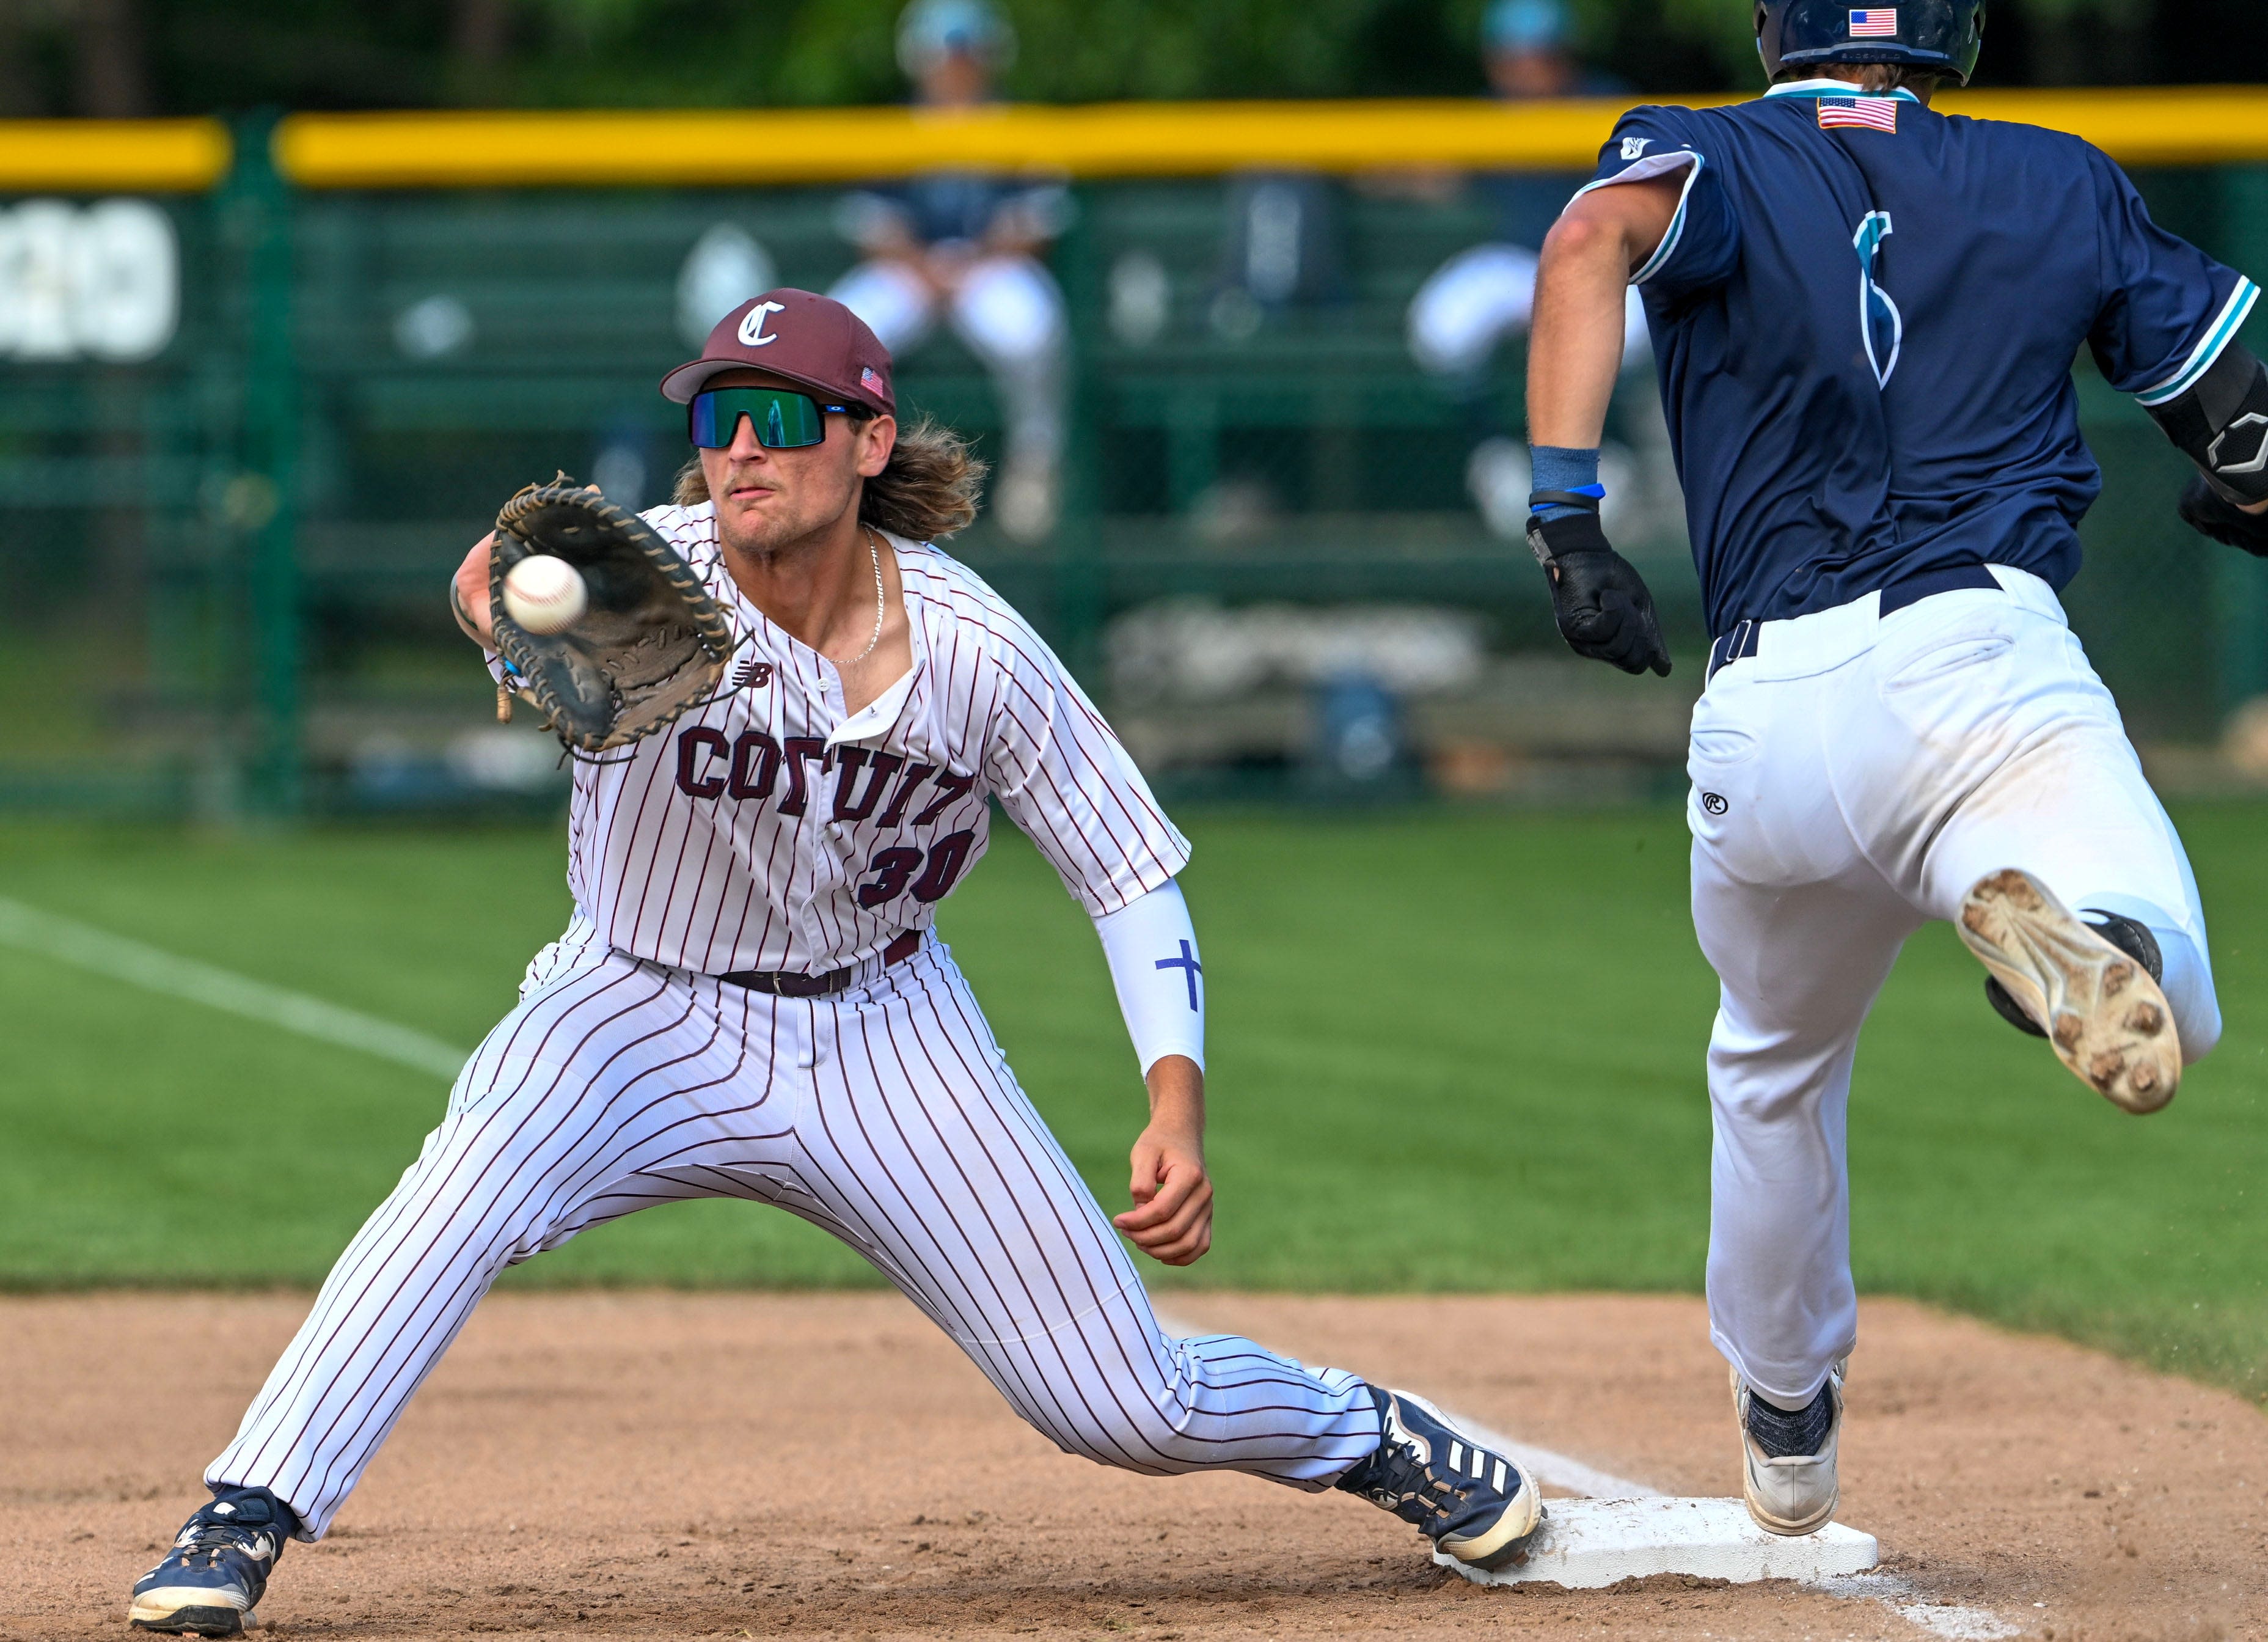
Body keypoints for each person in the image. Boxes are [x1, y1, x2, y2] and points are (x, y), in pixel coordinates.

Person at [122, 288, 1541, 1637]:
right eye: (721, 412)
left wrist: (1175, 1099)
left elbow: (1127, 870)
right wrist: (501, 622)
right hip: (632, 1001)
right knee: (462, 1181)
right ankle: (246, 1508)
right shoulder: (651, 574)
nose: (743, 443)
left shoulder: (974, 648)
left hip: (887, 1027)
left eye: (784, 415)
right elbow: (495, 575)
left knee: (1121, 1400)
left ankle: (1375, 1434)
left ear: (867, 442)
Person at [1521, 0, 2261, 1536]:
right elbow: (2242, 416)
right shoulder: (2058, 175)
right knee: (2169, 989)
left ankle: (1786, 1420)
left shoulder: (1711, 147)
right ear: (1953, 35)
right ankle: (2084, 943)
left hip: (1765, 712)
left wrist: (1568, 518)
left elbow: (1591, 237)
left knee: (1770, 1064)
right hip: (1975, 670)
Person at [1402, 0, 1653, 540]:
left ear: (1564, 57)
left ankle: (1612, 455)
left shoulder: (1605, 105)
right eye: (1513, 58)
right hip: (1514, 262)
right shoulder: (1489, 112)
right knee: (1443, 323)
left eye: (1538, 56)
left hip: (1596, 266)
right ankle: (1494, 453)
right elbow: (1434, 171)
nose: (1525, 69)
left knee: (1633, 333)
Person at [829, 0, 1067, 543]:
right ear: (920, 60)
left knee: (1033, 332)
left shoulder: (1018, 124)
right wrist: (926, 271)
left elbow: (1036, 227)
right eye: (945, 56)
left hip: (990, 269)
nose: (956, 68)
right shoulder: (895, 127)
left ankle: (1038, 464)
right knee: (843, 328)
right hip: (911, 271)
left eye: (967, 55)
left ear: (988, 58)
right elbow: (874, 230)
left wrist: (969, 268)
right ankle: (837, 463)